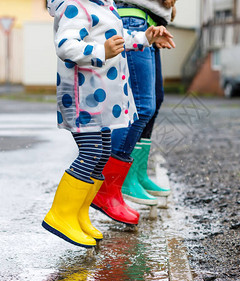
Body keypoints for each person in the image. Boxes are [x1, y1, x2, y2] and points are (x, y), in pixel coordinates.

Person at [43, 0, 175, 248]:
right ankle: (61, 215)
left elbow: (118, 37)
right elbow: (65, 46)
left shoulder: (104, 5)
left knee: (102, 153)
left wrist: (145, 38)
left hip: (100, 99)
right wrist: (100, 51)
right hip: (82, 97)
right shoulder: (76, 5)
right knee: (91, 152)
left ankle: (78, 215)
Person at [91, 0, 176, 225]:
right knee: (140, 106)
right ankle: (109, 186)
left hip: (148, 22)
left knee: (153, 102)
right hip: (133, 19)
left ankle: (135, 175)